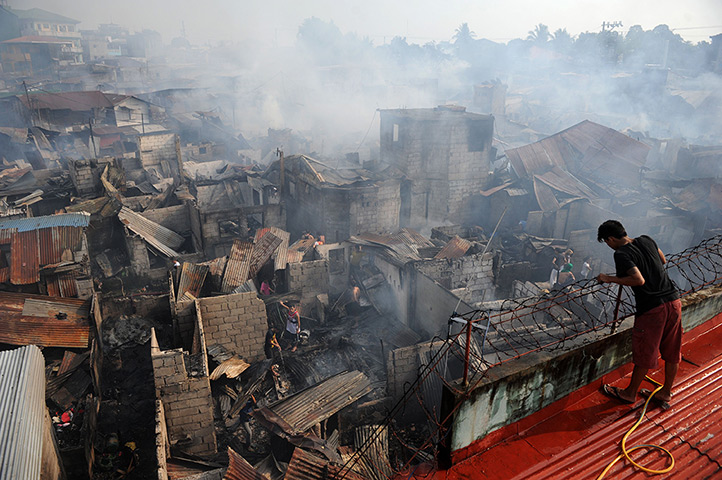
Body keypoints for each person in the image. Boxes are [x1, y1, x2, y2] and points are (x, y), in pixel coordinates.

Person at [596, 220, 681, 409]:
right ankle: (666, 392)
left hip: (652, 308)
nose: (609, 246)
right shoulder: (646, 239)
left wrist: (608, 278)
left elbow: (638, 279)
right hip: (673, 300)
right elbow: (663, 260)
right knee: (672, 350)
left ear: (610, 239)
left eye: (607, 242)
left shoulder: (621, 254)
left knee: (646, 351)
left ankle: (629, 393)